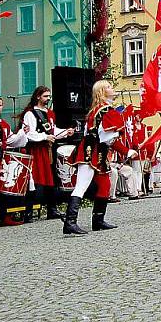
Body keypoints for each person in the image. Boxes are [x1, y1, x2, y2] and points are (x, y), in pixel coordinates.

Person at [63, 81, 137, 235]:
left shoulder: (96, 110)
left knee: (104, 184)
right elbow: (108, 139)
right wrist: (126, 151)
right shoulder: (106, 111)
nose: (112, 88)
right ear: (102, 92)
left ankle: (98, 220)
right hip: (92, 151)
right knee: (81, 185)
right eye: (109, 87)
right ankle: (70, 223)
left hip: (98, 152)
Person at [20, 86, 74, 222]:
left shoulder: (50, 113)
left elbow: (53, 130)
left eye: (49, 96)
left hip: (48, 149)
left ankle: (52, 209)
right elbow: (29, 133)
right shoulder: (30, 113)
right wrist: (44, 137)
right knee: (34, 179)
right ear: (38, 96)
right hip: (36, 149)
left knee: (50, 178)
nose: (48, 99)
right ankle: (28, 211)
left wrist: (65, 132)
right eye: (45, 96)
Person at [0, 96, 29, 226]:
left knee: (0, 188)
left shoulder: (4, 124)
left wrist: (22, 133)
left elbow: (10, 141)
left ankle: (3, 217)